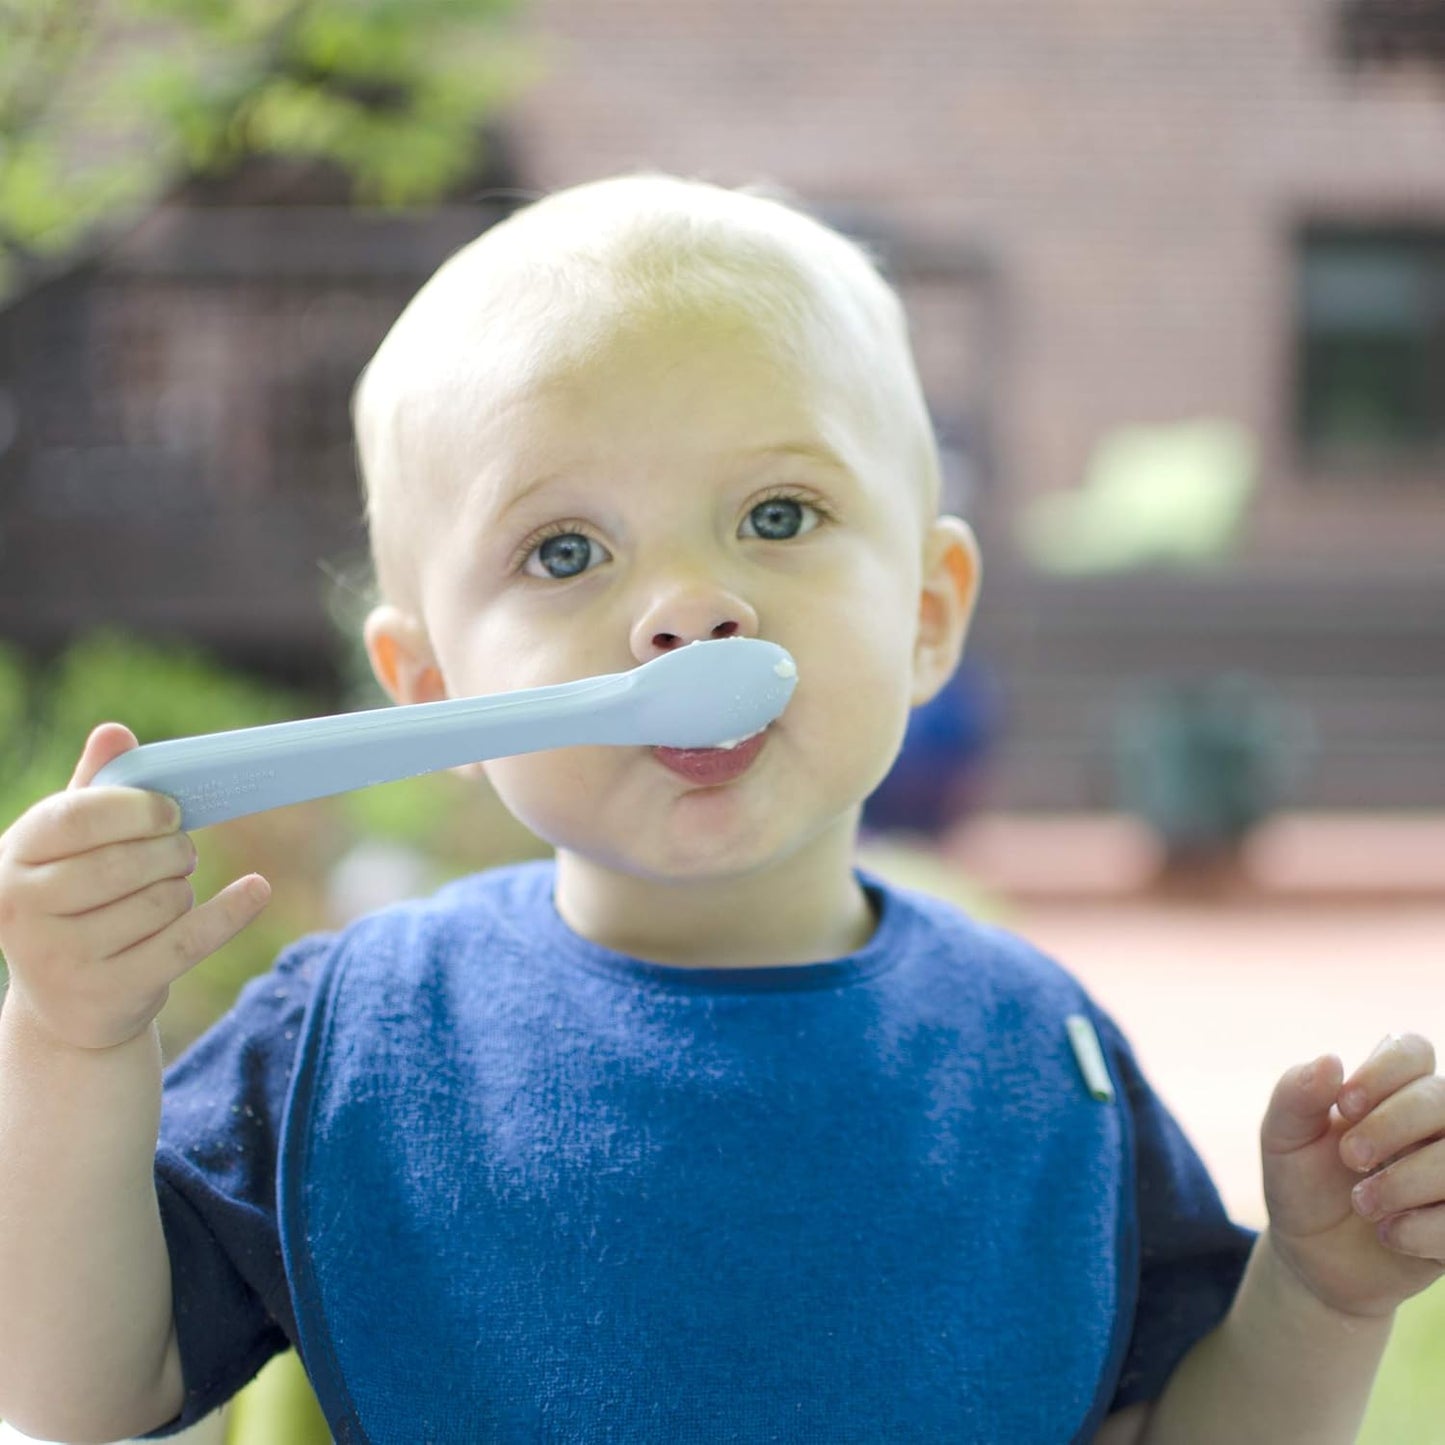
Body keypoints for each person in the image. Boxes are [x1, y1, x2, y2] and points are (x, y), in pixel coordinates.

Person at [0, 175, 1440, 1445]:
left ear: (928, 612)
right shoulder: (349, 1038)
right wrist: (70, 1039)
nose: (687, 605)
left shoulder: (1039, 1052)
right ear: (430, 681)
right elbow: (77, 1389)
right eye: (565, 548)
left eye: (775, 515)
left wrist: (1315, 1293)